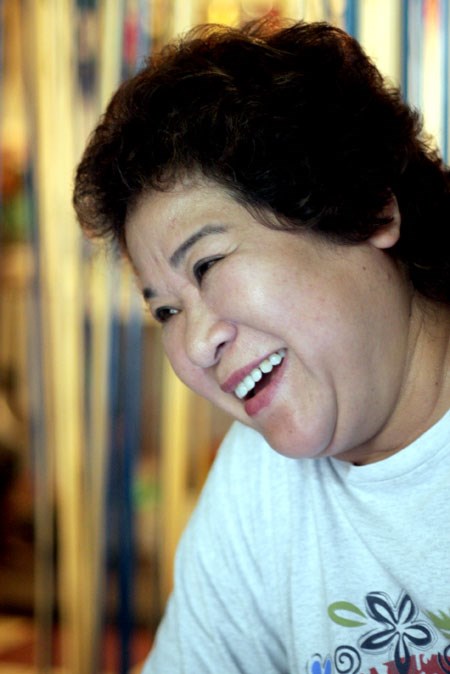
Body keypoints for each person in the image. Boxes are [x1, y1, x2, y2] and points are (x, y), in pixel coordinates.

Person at [73, 17, 450, 674]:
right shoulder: (260, 481)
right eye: (166, 311)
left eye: (208, 264)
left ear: (368, 208)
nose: (196, 343)